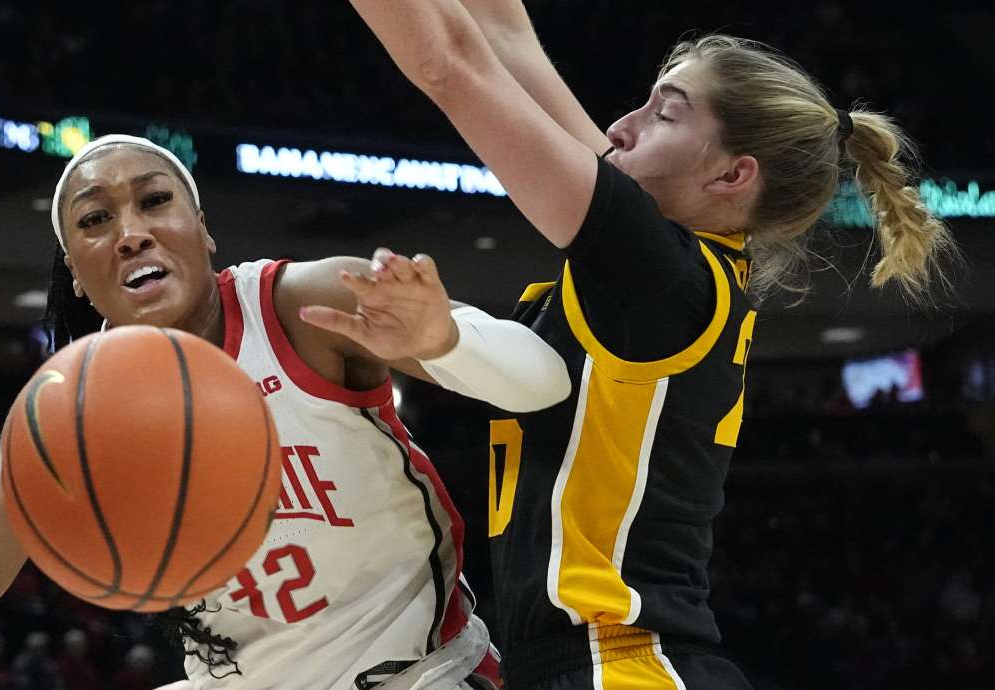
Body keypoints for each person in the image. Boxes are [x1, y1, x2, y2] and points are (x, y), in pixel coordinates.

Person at [344, 2, 958, 689]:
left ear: (731, 177)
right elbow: (508, 35)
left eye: (663, 114)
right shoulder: (673, 267)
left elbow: (450, 64)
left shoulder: (656, 275)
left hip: (617, 663)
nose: (618, 127)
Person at [0, 134, 573, 689]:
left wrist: (445, 340)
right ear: (76, 270)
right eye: (95, 219)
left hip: (414, 676)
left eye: (154, 201)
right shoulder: (77, 404)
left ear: (203, 229)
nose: (131, 233)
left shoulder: (298, 304)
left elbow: (543, 380)